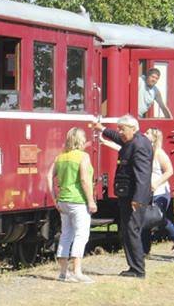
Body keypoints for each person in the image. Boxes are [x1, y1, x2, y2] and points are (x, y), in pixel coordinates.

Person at [99, 114, 153, 278]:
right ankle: (134, 267)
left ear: (133, 128)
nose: (120, 132)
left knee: (131, 231)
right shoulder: (132, 140)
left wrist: (138, 199)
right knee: (127, 230)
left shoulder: (139, 145)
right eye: (119, 129)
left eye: (122, 129)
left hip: (133, 198)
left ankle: (138, 269)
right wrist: (102, 129)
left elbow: (142, 177)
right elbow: (117, 137)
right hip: (128, 196)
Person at [49, 128, 97, 283]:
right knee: (81, 235)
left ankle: (63, 273)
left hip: (63, 201)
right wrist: (90, 200)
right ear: (80, 140)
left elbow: (49, 176)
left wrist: (54, 198)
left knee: (66, 234)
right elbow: (84, 180)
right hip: (78, 201)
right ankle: (77, 271)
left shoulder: (60, 157)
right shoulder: (83, 157)